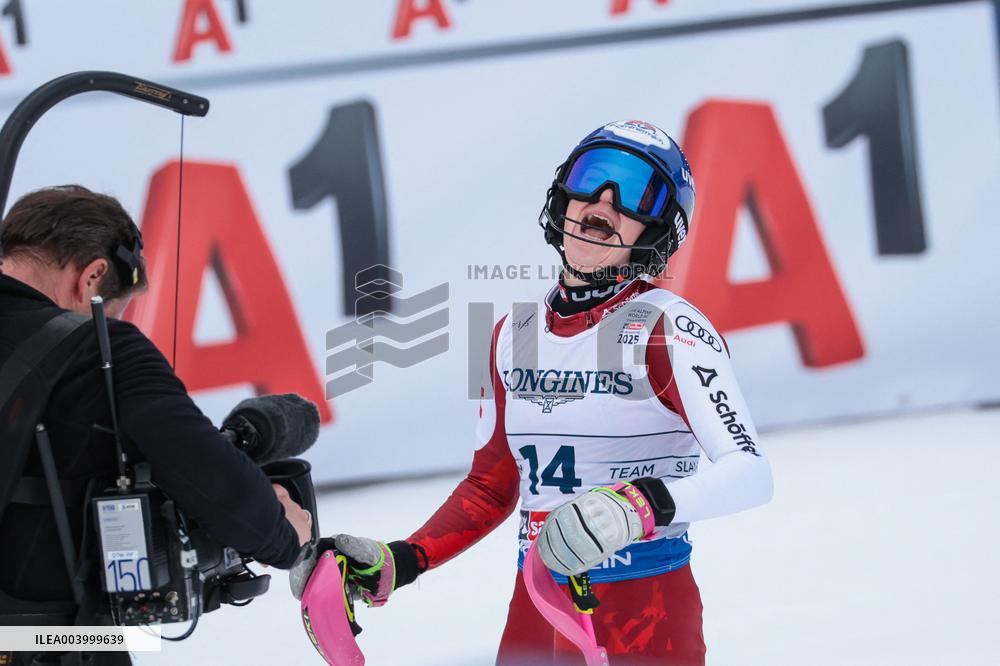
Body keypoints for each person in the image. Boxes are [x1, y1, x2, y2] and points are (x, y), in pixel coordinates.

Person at [301, 120, 773, 664]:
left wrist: (640, 506)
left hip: (643, 612)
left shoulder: (670, 329)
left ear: (657, 231)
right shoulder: (512, 333)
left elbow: (750, 473)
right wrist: (402, 559)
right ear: (562, 197)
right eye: (591, 176)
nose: (604, 200)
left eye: (636, 192)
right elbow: (490, 486)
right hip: (536, 605)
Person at [0, 185, 313, 665]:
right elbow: (203, 469)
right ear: (93, 277)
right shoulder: (102, 349)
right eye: (114, 308)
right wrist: (285, 535)